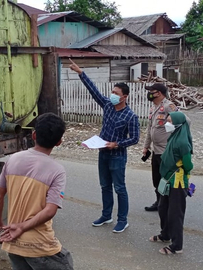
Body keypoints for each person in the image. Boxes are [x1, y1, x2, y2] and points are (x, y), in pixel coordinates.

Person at [0, 113, 73, 270]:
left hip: (13, 242)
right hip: (40, 245)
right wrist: (22, 227)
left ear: (34, 135)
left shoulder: (13, 159)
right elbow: (50, 211)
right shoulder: (57, 171)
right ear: (59, 142)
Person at [69, 59, 140, 233]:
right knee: (104, 186)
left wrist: (117, 144)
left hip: (117, 156)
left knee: (120, 188)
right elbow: (94, 92)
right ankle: (106, 215)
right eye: (112, 91)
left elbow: (135, 139)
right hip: (102, 153)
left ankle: (122, 220)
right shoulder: (108, 106)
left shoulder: (130, 116)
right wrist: (81, 73)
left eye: (116, 93)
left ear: (125, 97)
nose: (112, 95)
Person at [148, 111, 193, 255]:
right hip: (167, 178)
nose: (167, 124)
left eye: (170, 121)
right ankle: (165, 234)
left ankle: (176, 245)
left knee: (175, 214)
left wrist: (178, 167)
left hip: (177, 181)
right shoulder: (173, 137)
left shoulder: (182, 142)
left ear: (178, 124)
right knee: (163, 207)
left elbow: (188, 165)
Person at [143, 83, 178, 212]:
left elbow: (184, 121)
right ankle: (159, 202)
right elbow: (149, 129)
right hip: (155, 150)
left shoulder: (169, 106)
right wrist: (146, 146)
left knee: (165, 179)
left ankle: (166, 203)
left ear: (159, 93)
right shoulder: (154, 108)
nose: (149, 93)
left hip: (166, 150)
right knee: (156, 179)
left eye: (151, 91)